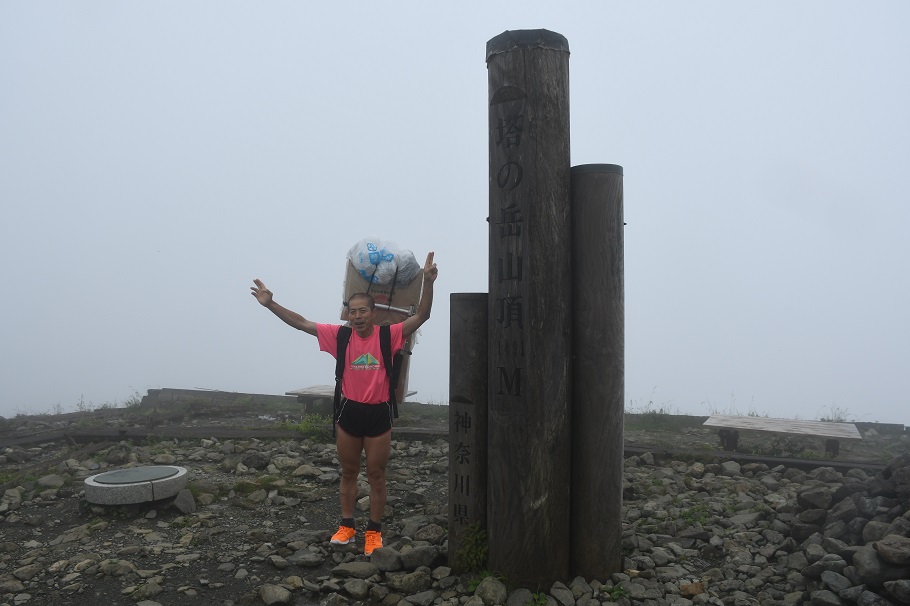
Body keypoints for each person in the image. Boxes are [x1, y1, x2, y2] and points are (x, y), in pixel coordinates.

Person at [250, 252, 437, 556]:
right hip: (348, 413)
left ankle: (374, 532)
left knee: (376, 475)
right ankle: (347, 526)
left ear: (373, 314)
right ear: (347, 314)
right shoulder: (340, 336)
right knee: (348, 473)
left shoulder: (389, 335)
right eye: (353, 311)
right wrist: (270, 303)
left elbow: (422, 316)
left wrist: (427, 284)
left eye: (363, 311)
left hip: (379, 414)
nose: (358, 316)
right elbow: (300, 323)